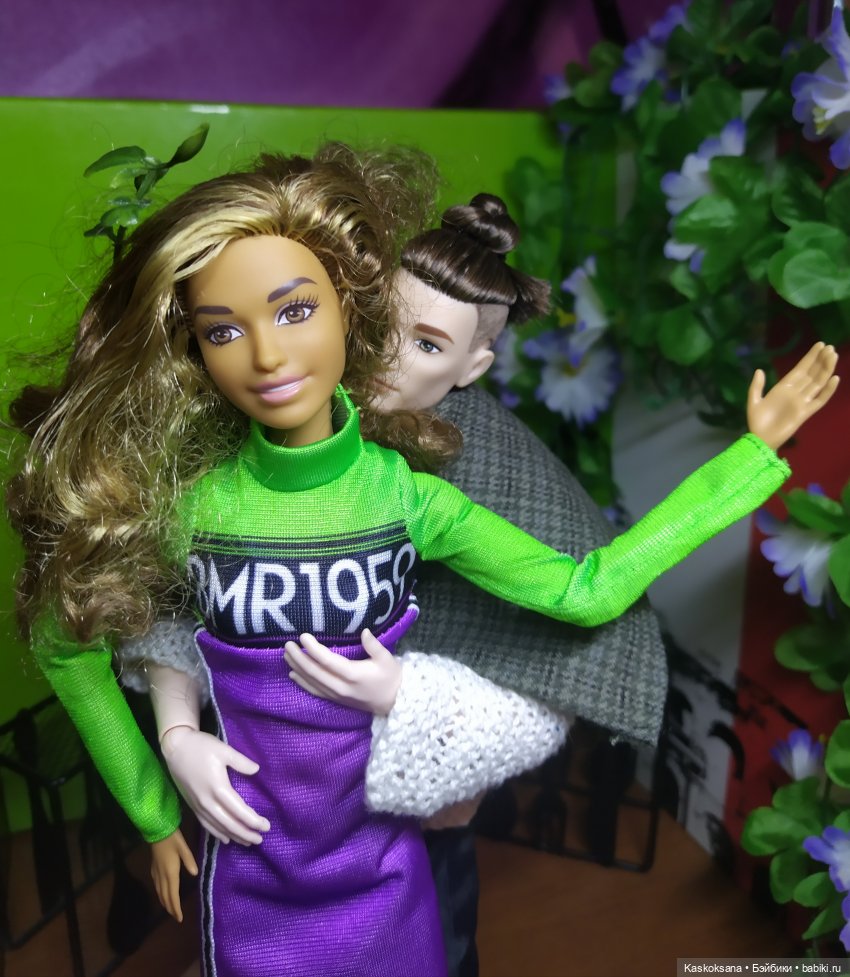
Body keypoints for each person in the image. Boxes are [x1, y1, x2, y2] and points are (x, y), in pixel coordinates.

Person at [5, 143, 838, 977]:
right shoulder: (196, 505)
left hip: (385, 863)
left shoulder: (411, 498)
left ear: (348, 310)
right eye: (222, 329)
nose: (266, 355)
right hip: (253, 870)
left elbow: (587, 590)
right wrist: (165, 775)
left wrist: (748, 461)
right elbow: (65, 639)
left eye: (296, 311)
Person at [127, 193, 670, 977]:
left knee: (440, 936)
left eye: (428, 343)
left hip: (410, 814)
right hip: (267, 824)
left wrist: (413, 699)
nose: (390, 357)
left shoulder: (477, 477)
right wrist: (176, 740)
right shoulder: (230, 469)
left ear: (472, 366)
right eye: (383, 323)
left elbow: (571, 616)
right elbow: (170, 608)